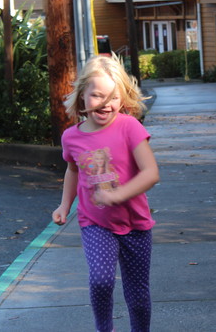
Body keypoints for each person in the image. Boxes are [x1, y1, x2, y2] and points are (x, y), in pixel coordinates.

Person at [52, 54, 160, 332]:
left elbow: (151, 172)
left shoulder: (129, 127)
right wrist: (65, 205)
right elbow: (73, 170)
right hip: (96, 222)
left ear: (122, 98)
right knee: (100, 280)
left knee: (137, 294)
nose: (105, 104)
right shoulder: (71, 136)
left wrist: (118, 194)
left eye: (112, 97)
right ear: (82, 96)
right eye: (97, 96)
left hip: (135, 222)